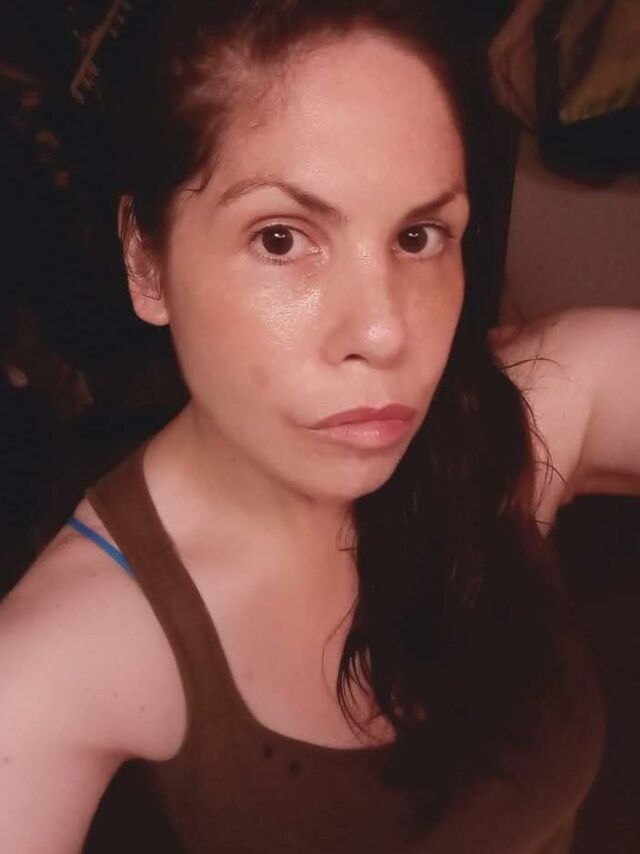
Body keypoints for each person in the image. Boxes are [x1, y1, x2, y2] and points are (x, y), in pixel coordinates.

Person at [1, 1, 638, 851]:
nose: (384, 331)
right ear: (146, 262)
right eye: (280, 239)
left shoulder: (527, 416)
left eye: (419, 235)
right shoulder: (60, 665)